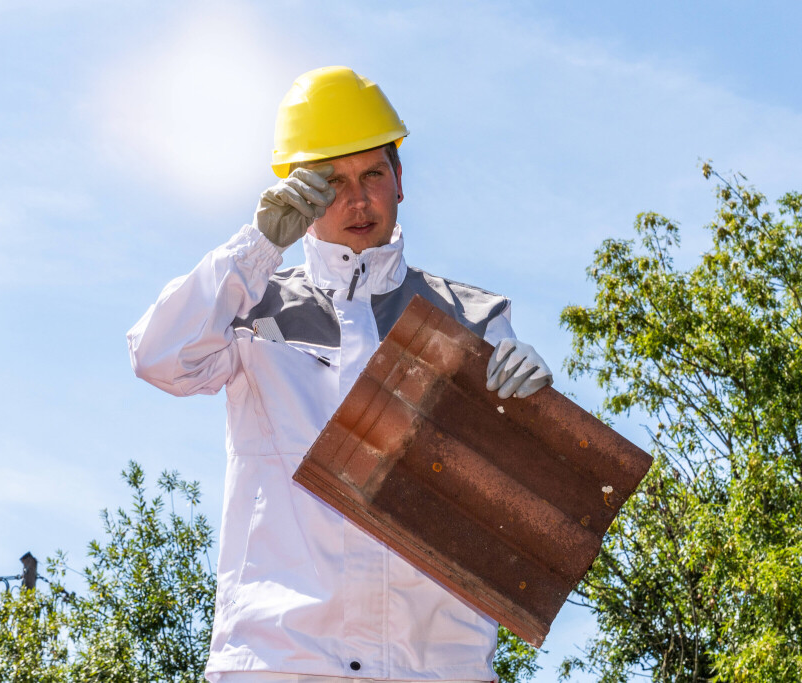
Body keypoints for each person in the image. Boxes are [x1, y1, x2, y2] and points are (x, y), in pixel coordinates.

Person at [127, 66, 552, 683]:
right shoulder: (251, 309)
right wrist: (255, 248)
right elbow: (159, 358)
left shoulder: (472, 318)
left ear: (400, 180)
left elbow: (522, 506)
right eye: (332, 182)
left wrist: (535, 413)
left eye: (373, 174)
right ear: (298, 194)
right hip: (282, 663)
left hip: (435, 669)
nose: (357, 200)